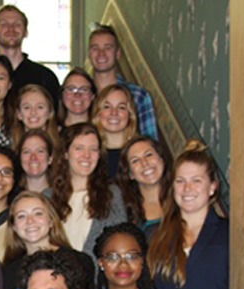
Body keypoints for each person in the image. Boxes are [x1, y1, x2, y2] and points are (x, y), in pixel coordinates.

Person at [148, 139, 229, 289]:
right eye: (180, 181)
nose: (187, 189)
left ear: (212, 186)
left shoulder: (230, 236)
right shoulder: (155, 236)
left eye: (196, 181)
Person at [47, 123, 127, 275]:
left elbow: (120, 244)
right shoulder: (47, 196)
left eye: (93, 149)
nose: (86, 155)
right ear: (65, 153)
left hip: (98, 288)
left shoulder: (111, 195)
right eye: (79, 148)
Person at [0, 5, 60, 108]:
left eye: (17, 24)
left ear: (26, 32)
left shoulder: (45, 77)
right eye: (4, 24)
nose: (11, 28)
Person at [88, 25, 158, 140]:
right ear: (89, 54)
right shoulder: (83, 97)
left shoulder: (138, 95)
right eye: (95, 48)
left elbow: (151, 142)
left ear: (118, 53)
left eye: (108, 47)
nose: (101, 53)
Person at [117, 135, 173, 238]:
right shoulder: (124, 212)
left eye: (148, 155)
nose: (144, 163)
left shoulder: (184, 197)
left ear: (162, 159)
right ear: (130, 174)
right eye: (135, 160)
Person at [91, 84, 138, 179]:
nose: (114, 112)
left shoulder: (140, 151)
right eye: (107, 107)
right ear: (98, 113)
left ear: (130, 114)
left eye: (121, 107)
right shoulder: (90, 153)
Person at [11, 84, 60, 150]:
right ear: (19, 114)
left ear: (50, 112)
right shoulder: (8, 145)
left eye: (40, 107)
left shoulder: (63, 144)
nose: (33, 112)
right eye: (27, 107)